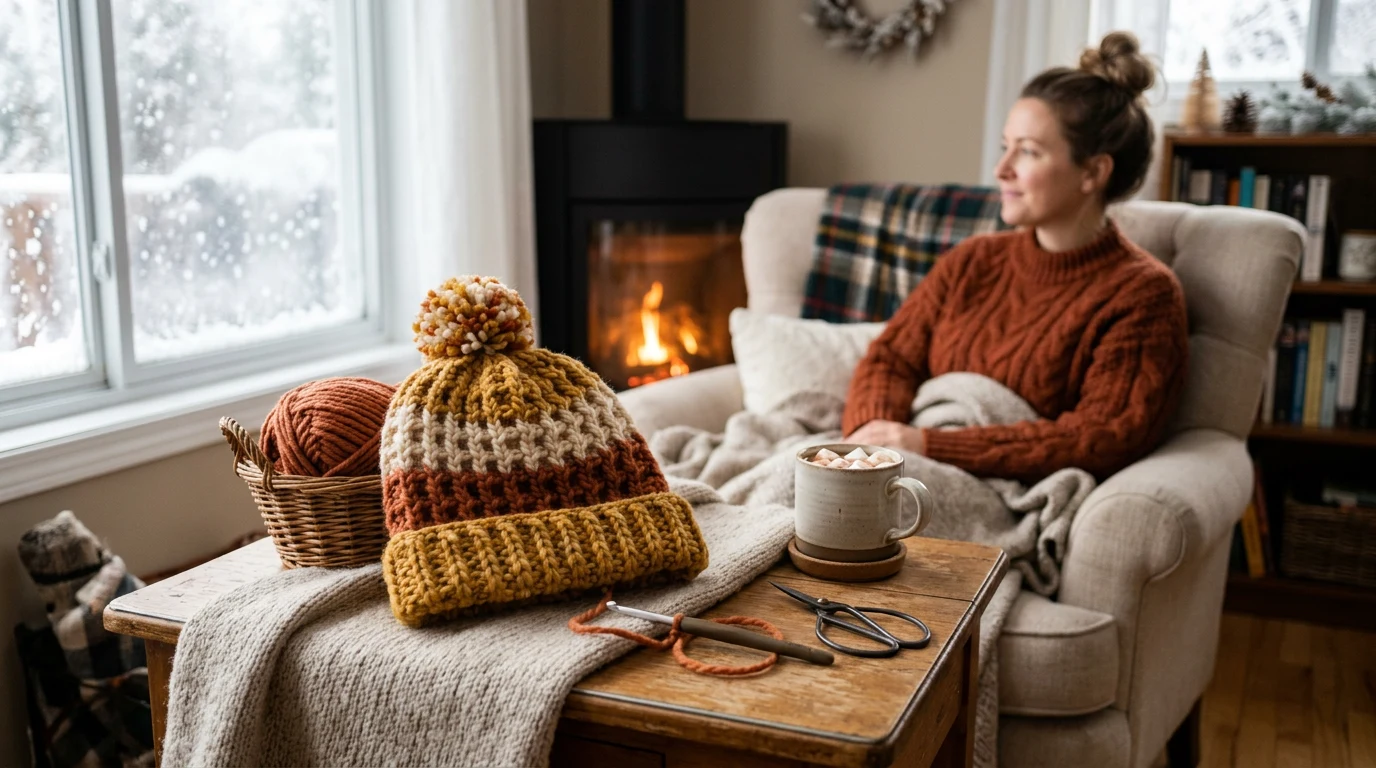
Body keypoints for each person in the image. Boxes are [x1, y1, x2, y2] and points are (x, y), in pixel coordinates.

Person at [842, 31, 1188, 483]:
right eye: (1006, 146)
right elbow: (890, 359)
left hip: (990, 485)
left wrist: (928, 446)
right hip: (900, 467)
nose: (1000, 170)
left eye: (1027, 151)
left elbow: (1104, 435)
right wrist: (873, 446)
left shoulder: (1143, 296)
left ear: (1093, 172)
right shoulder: (972, 261)